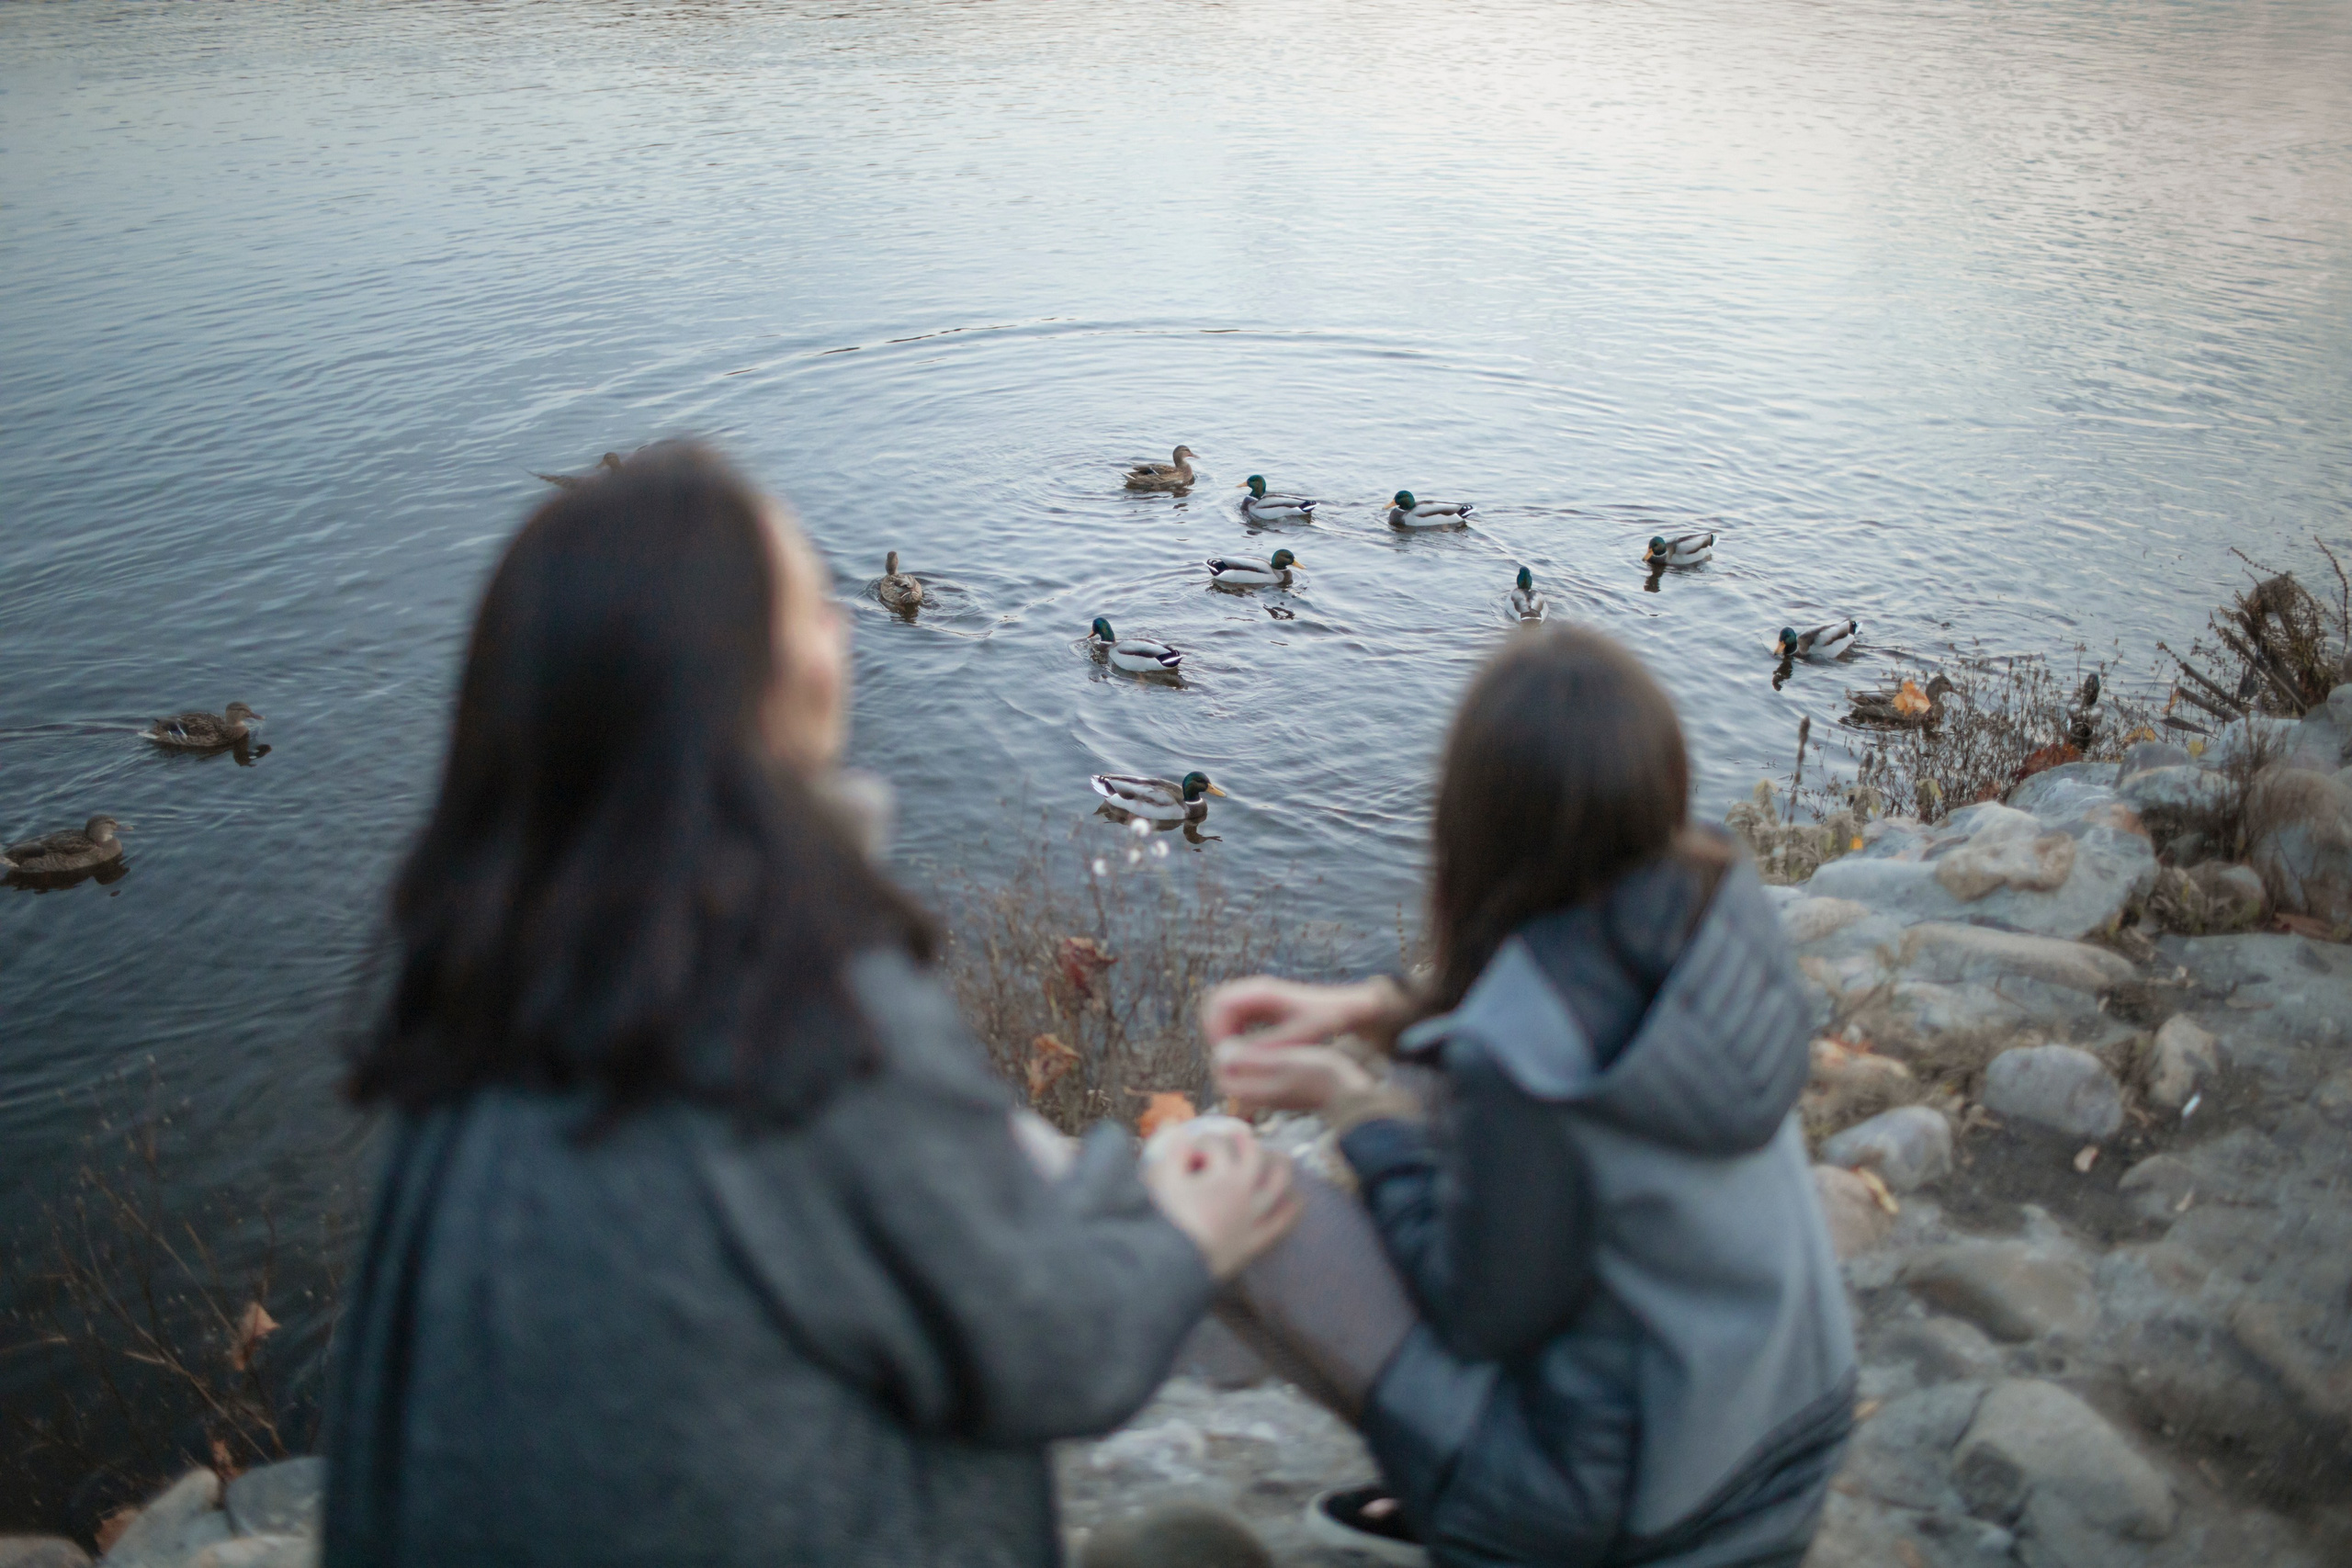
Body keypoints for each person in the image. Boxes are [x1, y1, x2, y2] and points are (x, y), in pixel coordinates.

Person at [322, 444, 1296, 1567]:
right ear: (751, 679)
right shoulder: (804, 1001)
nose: (844, 625)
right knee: (1200, 1550)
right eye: (812, 605)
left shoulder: (470, 1015)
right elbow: (1057, 1355)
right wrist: (1186, 1233)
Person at [1204, 626, 1856, 1568]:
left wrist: (1353, 1106)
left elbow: (1476, 1312)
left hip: (1642, 1522)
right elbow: (1559, 1002)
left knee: (1231, 1187)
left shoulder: (1521, 1061)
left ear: (1471, 824)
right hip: (1780, 1463)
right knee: (1436, 1104)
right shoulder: (1709, 914)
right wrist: (1376, 1012)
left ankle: (1479, 1510)